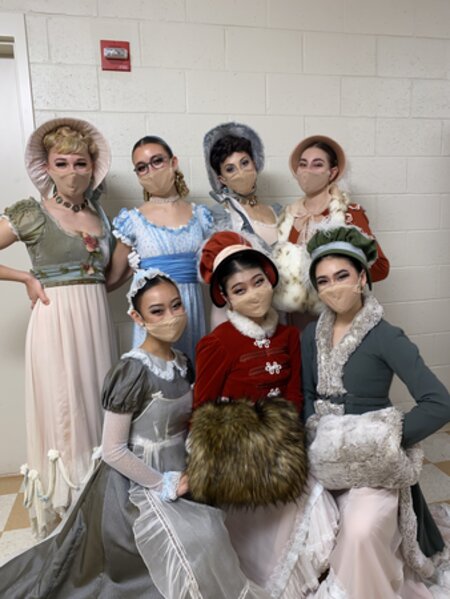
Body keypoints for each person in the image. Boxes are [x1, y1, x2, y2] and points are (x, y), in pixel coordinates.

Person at [0, 269, 270, 599]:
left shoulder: (183, 363)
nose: (171, 317)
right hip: (136, 479)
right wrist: (163, 483)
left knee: (214, 529)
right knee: (195, 542)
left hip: (180, 468)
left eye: (176, 306)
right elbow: (113, 450)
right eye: (157, 311)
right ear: (137, 317)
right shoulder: (131, 371)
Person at [301, 224, 450, 598]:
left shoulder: (386, 336)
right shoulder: (309, 336)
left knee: (361, 530)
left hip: (373, 464)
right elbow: (306, 394)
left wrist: (380, 442)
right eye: (323, 281)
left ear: (362, 278)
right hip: (323, 456)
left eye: (342, 276)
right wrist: (316, 440)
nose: (333, 287)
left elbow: (439, 402)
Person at [190, 231, 339, 598]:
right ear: (226, 298)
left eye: (258, 282)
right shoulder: (216, 343)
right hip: (239, 457)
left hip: (284, 447)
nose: (254, 294)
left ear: (271, 281)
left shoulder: (289, 337)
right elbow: (202, 407)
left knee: (316, 506)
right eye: (239, 290)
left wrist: (285, 436)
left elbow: (295, 393)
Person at [0, 118, 117, 538]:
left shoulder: (101, 215)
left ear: (92, 167)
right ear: (46, 167)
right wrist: (25, 278)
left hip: (96, 323)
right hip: (55, 323)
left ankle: (98, 505)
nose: (72, 172)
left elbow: (107, 277)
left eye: (80, 163)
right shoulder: (31, 213)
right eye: (61, 163)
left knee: (96, 404)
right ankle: (67, 514)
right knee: (64, 409)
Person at [107, 135, 215, 362]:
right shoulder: (132, 221)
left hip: (190, 309)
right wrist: (133, 271)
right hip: (154, 315)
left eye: (157, 161)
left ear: (173, 162)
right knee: (157, 373)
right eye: (142, 167)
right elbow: (112, 279)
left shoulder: (201, 216)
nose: (151, 171)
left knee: (192, 373)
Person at [273, 135, 389, 322]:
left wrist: (339, 278)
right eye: (303, 164)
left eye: (317, 165)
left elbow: (380, 268)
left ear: (332, 172)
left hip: (339, 316)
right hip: (296, 319)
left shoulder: (348, 214)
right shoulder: (288, 217)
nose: (308, 171)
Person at [204, 122, 281, 327]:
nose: (240, 172)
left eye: (244, 163)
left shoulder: (277, 211)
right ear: (222, 179)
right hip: (239, 311)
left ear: (255, 163)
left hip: (278, 303)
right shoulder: (221, 215)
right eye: (230, 169)